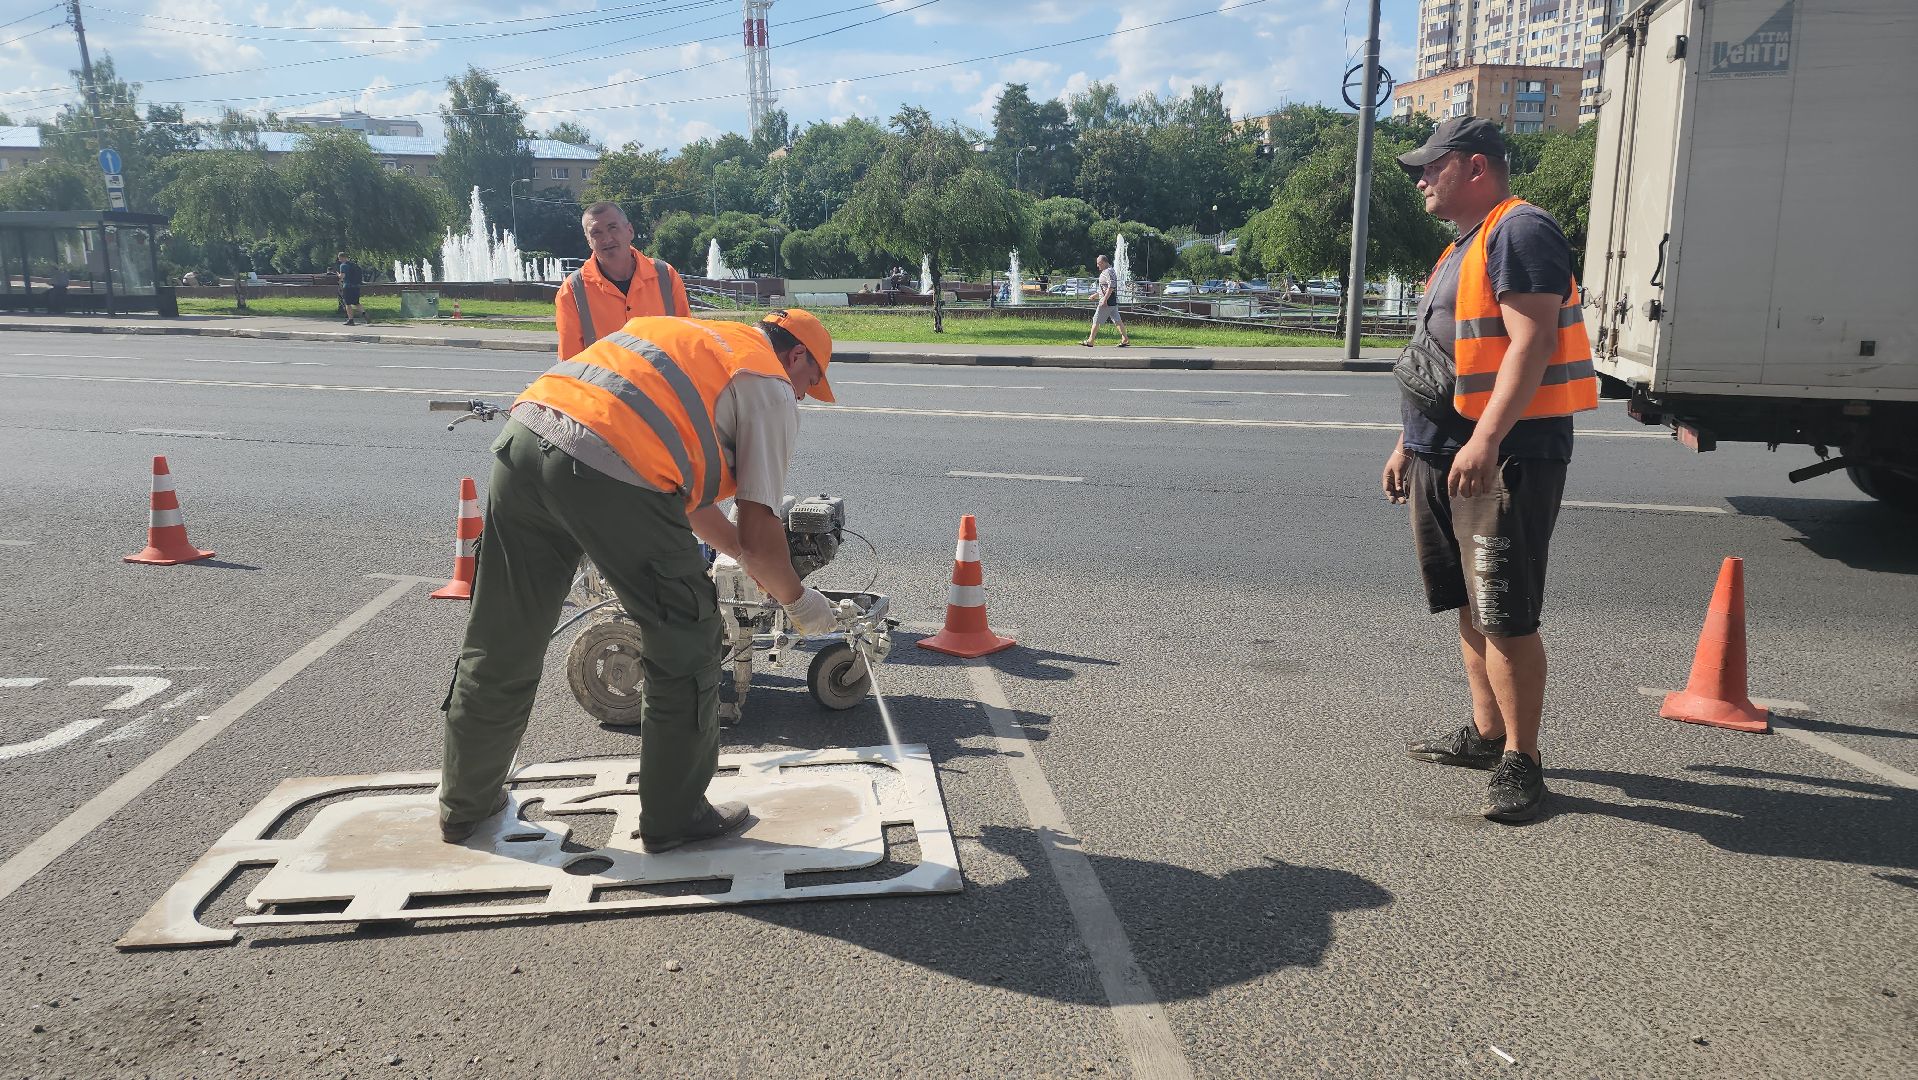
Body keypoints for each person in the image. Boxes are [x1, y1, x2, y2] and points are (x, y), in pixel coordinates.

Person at [438, 308, 842, 851]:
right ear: (796, 357)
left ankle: (466, 804)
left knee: (504, 633)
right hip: (606, 468)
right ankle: (675, 815)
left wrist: (745, 557)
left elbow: (691, 503)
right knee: (687, 632)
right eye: (808, 384)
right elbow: (761, 535)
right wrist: (798, 600)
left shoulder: (692, 338)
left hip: (526, 440)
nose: (801, 397)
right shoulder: (767, 383)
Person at [1382, 117, 1597, 823]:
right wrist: (1409, 442)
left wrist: (1485, 439)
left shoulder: (1520, 230)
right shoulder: (1463, 246)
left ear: (1474, 167)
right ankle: (1486, 734)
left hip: (1503, 456)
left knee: (1504, 611)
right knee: (1470, 604)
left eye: (1431, 165)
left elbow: (1531, 345)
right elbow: (1442, 355)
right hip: (1443, 453)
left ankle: (1521, 759)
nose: (1421, 178)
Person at [557, 202, 692, 360]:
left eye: (613, 227)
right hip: (603, 377)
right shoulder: (573, 290)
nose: (606, 239)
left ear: (630, 231)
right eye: (596, 233)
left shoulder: (665, 276)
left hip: (662, 376)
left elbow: (687, 341)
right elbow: (569, 362)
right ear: (588, 241)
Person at [1082, 253, 1129, 347]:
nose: (1097, 266)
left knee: (1096, 320)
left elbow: (1111, 287)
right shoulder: (1108, 271)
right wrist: (1095, 295)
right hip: (1111, 300)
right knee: (1117, 320)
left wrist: (1104, 300)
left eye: (1099, 263)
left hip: (1107, 301)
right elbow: (1105, 288)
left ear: (1103, 262)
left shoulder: (1108, 271)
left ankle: (1090, 341)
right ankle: (1125, 339)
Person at [336, 252, 368, 326]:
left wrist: (339, 275)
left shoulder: (343, 265)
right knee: (356, 303)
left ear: (341, 258)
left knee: (348, 304)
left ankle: (351, 320)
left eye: (339, 258)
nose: (339, 260)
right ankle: (364, 313)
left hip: (348, 287)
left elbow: (342, 276)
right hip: (356, 286)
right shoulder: (354, 265)